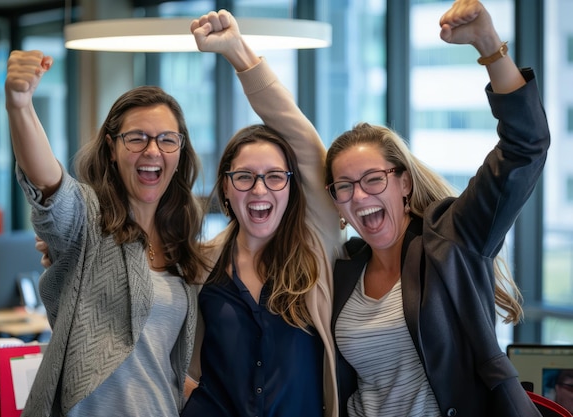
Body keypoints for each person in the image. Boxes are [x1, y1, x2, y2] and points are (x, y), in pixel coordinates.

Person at [325, 1, 550, 416]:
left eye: (373, 179)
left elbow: (525, 146)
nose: (360, 196)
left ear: (403, 182)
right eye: (344, 186)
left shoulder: (452, 239)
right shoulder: (343, 270)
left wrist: (488, 44)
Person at [5, 51, 207, 415]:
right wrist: (20, 105)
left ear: (179, 152)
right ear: (112, 149)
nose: (152, 150)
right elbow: (48, 183)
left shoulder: (182, 240)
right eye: (136, 138)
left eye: (167, 139)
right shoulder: (88, 220)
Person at [181, 10, 344, 417]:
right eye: (244, 177)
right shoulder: (202, 262)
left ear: (292, 184)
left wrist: (238, 53)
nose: (259, 190)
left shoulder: (317, 242)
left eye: (274, 177)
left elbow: (300, 138)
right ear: (225, 187)